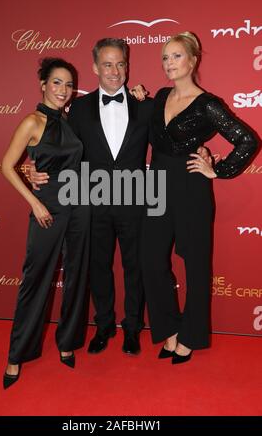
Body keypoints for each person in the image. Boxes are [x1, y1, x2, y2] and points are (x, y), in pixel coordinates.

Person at [30, 38, 210, 356]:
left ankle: (131, 328)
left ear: (128, 65)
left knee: (136, 267)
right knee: (99, 267)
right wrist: (33, 167)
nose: (115, 71)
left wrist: (205, 155)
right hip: (94, 201)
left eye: (121, 64)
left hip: (137, 200)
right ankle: (103, 325)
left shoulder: (147, 105)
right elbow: (58, 147)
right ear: (95, 68)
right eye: (108, 64)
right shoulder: (79, 109)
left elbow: (178, 137)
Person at [140, 31, 259, 364]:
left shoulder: (209, 104)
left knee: (195, 263)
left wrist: (217, 171)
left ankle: (191, 336)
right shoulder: (161, 96)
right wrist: (139, 97)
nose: (169, 63)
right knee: (150, 258)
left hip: (191, 186)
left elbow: (247, 140)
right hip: (156, 184)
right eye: (165, 57)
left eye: (176, 56)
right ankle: (169, 329)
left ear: (192, 60)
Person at [1, 57, 90, 388]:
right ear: (43, 85)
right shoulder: (32, 122)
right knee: (35, 279)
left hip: (80, 205)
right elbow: (6, 166)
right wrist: (35, 202)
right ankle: (17, 354)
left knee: (77, 276)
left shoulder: (71, 120)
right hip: (48, 207)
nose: (63, 90)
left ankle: (67, 343)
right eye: (57, 83)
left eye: (68, 85)